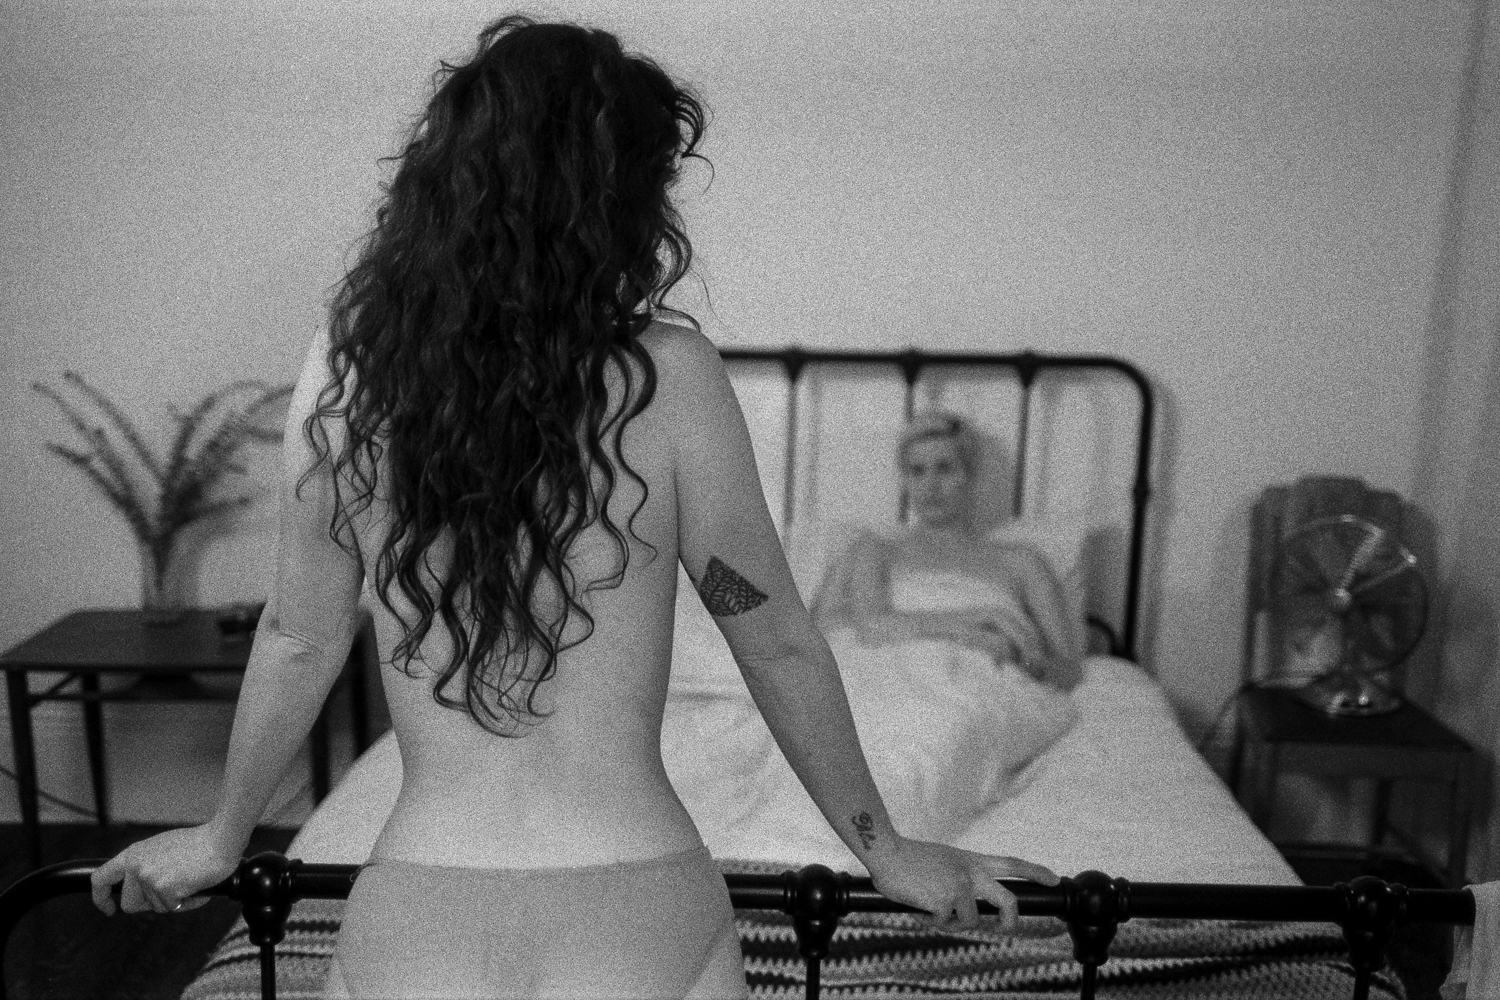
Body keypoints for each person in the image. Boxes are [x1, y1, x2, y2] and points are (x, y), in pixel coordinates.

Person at [89, 15, 1059, 999]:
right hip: (640, 901)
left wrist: (222, 835)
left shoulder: (348, 375)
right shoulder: (674, 376)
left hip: (418, 904)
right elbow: (775, 639)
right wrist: (886, 851)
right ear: (624, 202)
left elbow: (300, 637)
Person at [812, 411, 1084, 692]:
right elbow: (868, 629)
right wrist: (980, 619)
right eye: (917, 471)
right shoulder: (875, 550)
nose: (930, 486)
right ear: (905, 481)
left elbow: (1068, 670)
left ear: (970, 475)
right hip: (891, 686)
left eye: (944, 469)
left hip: (987, 691)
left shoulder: (1021, 562)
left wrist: (1022, 660)